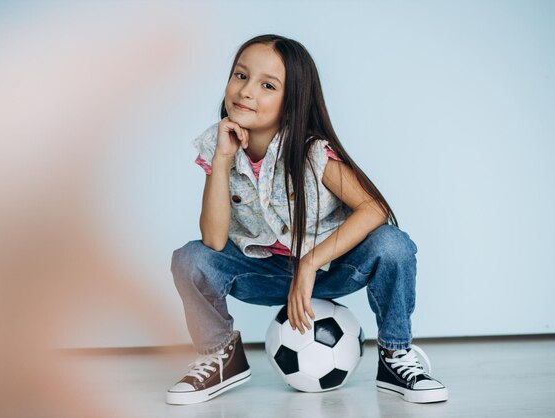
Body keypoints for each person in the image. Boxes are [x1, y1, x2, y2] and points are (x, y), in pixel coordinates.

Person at [166, 34, 448, 405]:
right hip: (263, 273)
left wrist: (311, 262)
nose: (246, 91)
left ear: (291, 101)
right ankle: (220, 355)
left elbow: (375, 208)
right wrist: (221, 161)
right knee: (190, 258)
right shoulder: (218, 145)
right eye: (240, 76)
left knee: (393, 245)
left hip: (330, 268)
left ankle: (396, 355)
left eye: (267, 85)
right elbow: (215, 241)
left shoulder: (312, 151)